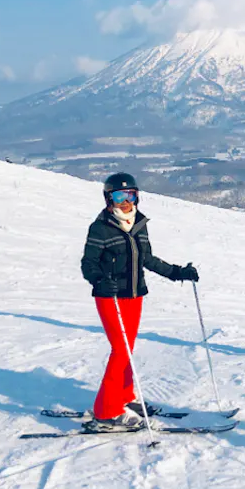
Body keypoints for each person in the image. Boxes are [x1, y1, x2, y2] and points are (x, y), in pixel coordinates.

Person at [79, 172, 199, 432]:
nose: (125, 202)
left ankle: (124, 397)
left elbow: (148, 259)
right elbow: (88, 264)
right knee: (120, 351)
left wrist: (178, 272)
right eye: (119, 196)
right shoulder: (99, 228)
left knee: (127, 352)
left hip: (134, 296)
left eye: (130, 195)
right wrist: (99, 281)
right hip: (109, 297)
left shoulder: (139, 225)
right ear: (108, 198)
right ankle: (105, 413)